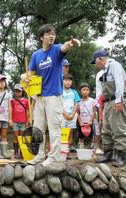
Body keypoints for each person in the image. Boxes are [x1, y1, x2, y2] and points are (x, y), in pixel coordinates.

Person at [21, 23, 81, 166]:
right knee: (38, 128)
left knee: (54, 127)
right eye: (48, 33)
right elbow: (31, 73)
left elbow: (64, 47)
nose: (51, 35)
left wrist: (71, 43)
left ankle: (53, 157)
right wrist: (24, 76)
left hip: (54, 95)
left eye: (53, 33)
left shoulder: (56, 50)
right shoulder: (36, 55)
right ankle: (39, 156)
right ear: (41, 37)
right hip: (39, 96)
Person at [91, 49, 126, 167]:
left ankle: (120, 156)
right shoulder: (103, 72)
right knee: (106, 129)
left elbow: (119, 83)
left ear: (101, 59)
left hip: (117, 100)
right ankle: (108, 153)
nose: (96, 64)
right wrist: (100, 105)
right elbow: (101, 92)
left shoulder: (114, 65)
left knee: (118, 128)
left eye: (96, 61)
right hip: (107, 102)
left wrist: (119, 101)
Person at [62, 74, 80, 151]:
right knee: (63, 130)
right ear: (62, 81)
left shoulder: (74, 92)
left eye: (69, 80)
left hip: (72, 114)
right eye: (66, 80)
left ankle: (71, 146)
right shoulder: (60, 92)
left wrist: (72, 114)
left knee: (71, 130)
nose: (68, 82)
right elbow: (58, 104)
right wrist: (65, 114)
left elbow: (76, 103)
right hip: (62, 114)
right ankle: (63, 146)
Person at [10, 84, 29, 159]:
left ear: (22, 92)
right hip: (15, 121)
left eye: (19, 91)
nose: (17, 93)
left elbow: (27, 111)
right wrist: (10, 120)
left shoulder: (26, 101)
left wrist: (28, 120)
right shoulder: (12, 101)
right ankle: (15, 152)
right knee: (16, 137)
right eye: (16, 91)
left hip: (23, 121)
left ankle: (22, 152)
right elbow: (11, 110)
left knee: (22, 137)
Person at [77, 82, 96, 149]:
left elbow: (94, 111)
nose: (85, 91)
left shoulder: (92, 101)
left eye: (87, 90)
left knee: (92, 136)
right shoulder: (78, 101)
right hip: (82, 122)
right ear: (80, 91)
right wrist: (80, 121)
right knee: (81, 136)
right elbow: (78, 112)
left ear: (89, 91)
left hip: (90, 122)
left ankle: (93, 150)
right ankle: (81, 149)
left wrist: (91, 120)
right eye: (83, 90)